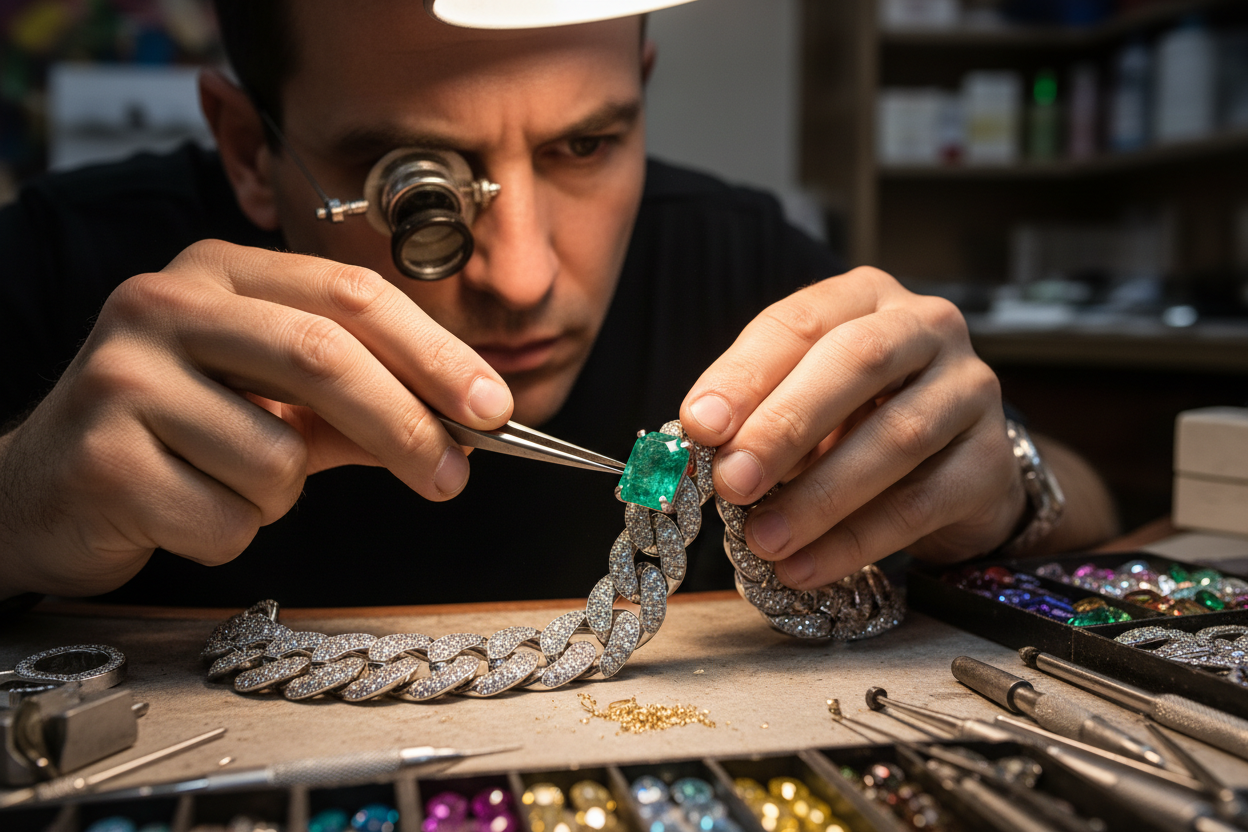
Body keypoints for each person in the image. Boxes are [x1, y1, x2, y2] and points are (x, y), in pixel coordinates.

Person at [0, 0, 1118, 608]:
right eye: (416, 182)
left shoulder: (745, 262)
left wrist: (1000, 488)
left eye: (587, 143)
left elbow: (1096, 514)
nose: (524, 273)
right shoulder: (65, 264)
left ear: (643, 81)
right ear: (249, 150)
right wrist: (15, 511)